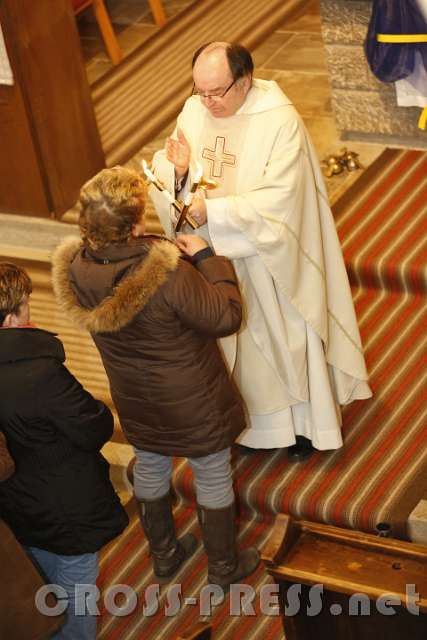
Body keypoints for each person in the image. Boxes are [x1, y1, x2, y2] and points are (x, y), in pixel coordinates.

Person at [150, 41, 372, 461]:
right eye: (200, 91)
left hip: (270, 259)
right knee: (239, 351)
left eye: (217, 92)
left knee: (285, 339)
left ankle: (304, 427)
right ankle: (255, 428)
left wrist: (215, 212)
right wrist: (177, 174)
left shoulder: (279, 120)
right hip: (213, 256)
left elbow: (284, 198)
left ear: (245, 80)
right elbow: (166, 167)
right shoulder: (194, 110)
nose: (208, 102)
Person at [51, 166, 260, 591]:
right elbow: (226, 316)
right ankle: (223, 567)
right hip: (192, 397)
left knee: (149, 464)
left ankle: (164, 556)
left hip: (133, 395)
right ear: (134, 225)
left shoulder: (75, 268)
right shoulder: (167, 274)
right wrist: (207, 258)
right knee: (212, 472)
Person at [0, 262, 129, 640]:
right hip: (65, 507)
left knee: (37, 579)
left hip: (14, 504)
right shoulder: (38, 372)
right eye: (25, 302)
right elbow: (93, 428)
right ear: (12, 316)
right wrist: (101, 410)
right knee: (75, 588)